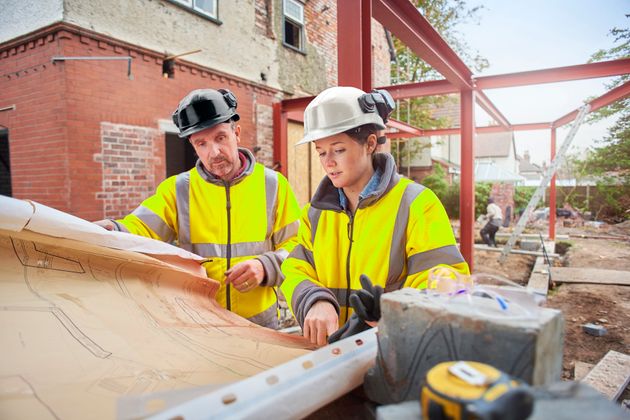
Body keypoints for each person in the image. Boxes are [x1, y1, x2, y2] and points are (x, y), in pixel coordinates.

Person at [95, 88, 301, 329]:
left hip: (261, 323)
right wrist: (113, 229)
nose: (213, 152)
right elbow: (140, 228)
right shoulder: (178, 189)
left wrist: (265, 267)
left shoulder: (273, 185)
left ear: (237, 133)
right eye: (201, 143)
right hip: (200, 321)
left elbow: (297, 247)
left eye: (220, 138)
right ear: (194, 147)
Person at [280, 86, 470, 346]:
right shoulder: (315, 213)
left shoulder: (416, 204)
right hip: (329, 355)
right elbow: (295, 269)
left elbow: (447, 280)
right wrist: (313, 299)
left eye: (338, 149)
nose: (328, 163)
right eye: (321, 152)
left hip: (393, 351)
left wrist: (392, 314)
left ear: (370, 143)